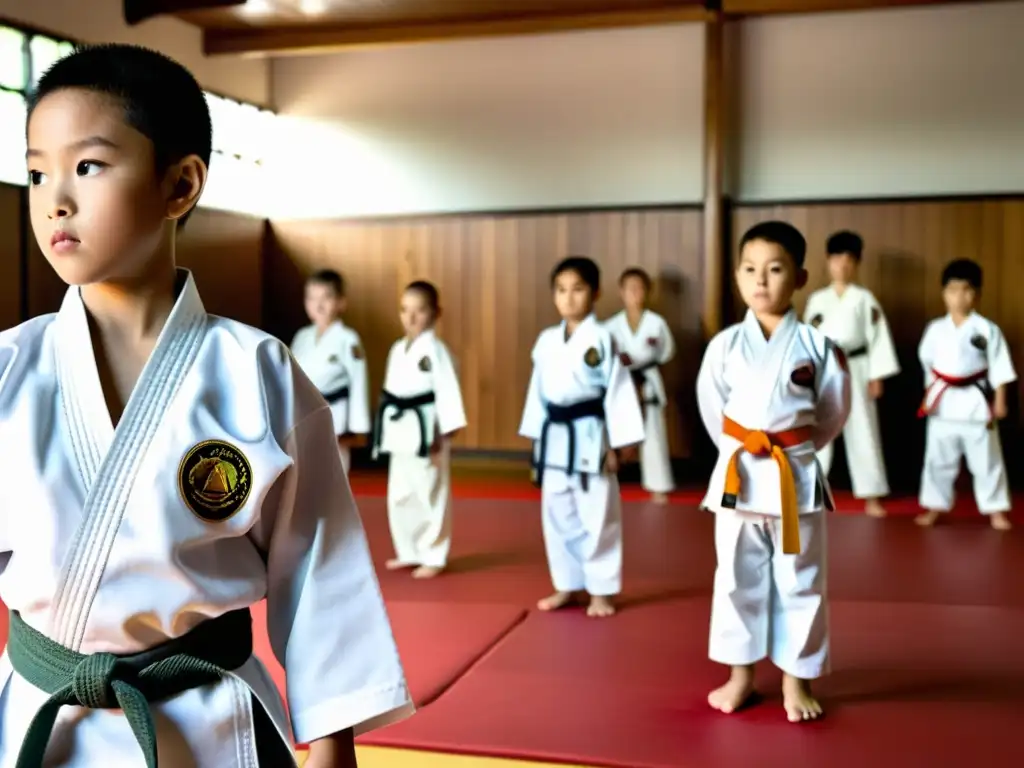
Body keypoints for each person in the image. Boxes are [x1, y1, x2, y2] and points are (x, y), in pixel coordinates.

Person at [0, 44, 412, 768]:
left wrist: (333, 738)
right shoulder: (9, 368)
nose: (54, 197)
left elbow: (317, 563)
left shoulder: (257, 373)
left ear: (180, 184)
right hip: (42, 716)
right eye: (37, 172)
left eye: (87, 166)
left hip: (210, 723)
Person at [696, 221, 851, 723]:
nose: (760, 279)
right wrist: (742, 450)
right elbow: (713, 408)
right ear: (738, 277)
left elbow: (831, 413)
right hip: (740, 476)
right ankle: (740, 675)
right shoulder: (724, 345)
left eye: (775, 268)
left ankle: (795, 679)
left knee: (801, 580)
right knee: (735, 579)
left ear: (801, 277)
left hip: (793, 479)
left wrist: (795, 450)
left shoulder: (817, 346)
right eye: (749, 269)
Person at [519, 256, 645, 618]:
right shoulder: (546, 341)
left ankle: (601, 591)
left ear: (596, 293)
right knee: (557, 513)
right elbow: (537, 393)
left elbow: (618, 392)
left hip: (591, 435)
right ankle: (567, 585)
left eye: (578, 289)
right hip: (555, 436)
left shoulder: (604, 338)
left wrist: (619, 445)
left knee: (597, 514)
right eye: (561, 290)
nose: (569, 297)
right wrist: (535, 441)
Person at [372, 280, 466, 578]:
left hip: (428, 429)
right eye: (405, 310)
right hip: (401, 428)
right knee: (401, 492)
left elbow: (448, 391)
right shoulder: (398, 349)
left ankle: (434, 554)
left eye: (420, 310)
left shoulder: (436, 351)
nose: (411, 317)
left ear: (436, 312)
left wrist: (445, 430)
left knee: (430, 490)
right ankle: (409, 550)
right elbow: (389, 393)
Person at [803, 231, 899, 518]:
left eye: (848, 260)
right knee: (819, 429)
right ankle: (810, 490)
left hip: (857, 366)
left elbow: (878, 338)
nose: (842, 266)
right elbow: (807, 339)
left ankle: (872, 495)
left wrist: (877, 375)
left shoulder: (864, 299)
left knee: (864, 428)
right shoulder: (817, 299)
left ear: (856, 264)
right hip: (825, 368)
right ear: (828, 262)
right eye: (836, 260)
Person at [915, 258, 1015, 531]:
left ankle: (996, 510)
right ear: (944, 293)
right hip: (943, 403)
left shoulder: (986, 329)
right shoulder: (935, 329)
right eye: (953, 290)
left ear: (978, 295)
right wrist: (928, 395)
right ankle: (935, 506)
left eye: (967, 290)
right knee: (937, 459)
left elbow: (1000, 367)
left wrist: (1001, 400)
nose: (959, 296)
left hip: (977, 403)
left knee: (987, 461)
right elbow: (928, 367)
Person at [604, 267, 676, 504]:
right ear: (621, 292)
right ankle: (607, 480)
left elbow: (666, 352)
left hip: (648, 380)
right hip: (621, 381)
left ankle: (659, 483)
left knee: (654, 432)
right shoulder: (610, 326)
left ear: (647, 292)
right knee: (616, 431)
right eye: (630, 288)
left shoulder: (657, 323)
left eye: (640, 288)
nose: (635, 293)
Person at [291, 269, 371, 475]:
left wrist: (358, 428)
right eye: (311, 298)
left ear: (341, 302)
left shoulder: (348, 339)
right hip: (304, 417)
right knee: (305, 478)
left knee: (334, 476)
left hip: (335, 418)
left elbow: (358, 382)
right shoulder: (302, 337)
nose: (318, 305)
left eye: (326, 298)